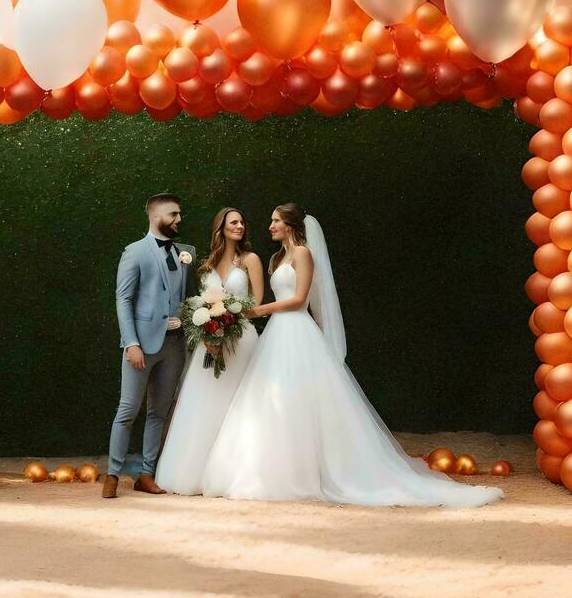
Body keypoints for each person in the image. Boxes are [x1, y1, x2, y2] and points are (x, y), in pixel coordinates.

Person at [202, 203, 503, 507]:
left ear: (291, 225)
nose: (270, 225)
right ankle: (277, 470)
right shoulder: (278, 257)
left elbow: (299, 299)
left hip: (297, 330)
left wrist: (258, 310)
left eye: (276, 220)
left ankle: (311, 473)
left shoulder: (303, 253)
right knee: (274, 401)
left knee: (303, 399)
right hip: (278, 333)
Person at [154, 208, 264, 495]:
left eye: (242, 222)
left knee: (241, 406)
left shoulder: (250, 260)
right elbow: (197, 303)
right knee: (206, 405)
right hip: (211, 341)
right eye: (234, 222)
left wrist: (229, 318)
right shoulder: (206, 265)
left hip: (242, 340)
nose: (240, 226)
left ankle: (236, 474)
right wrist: (209, 329)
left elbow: (257, 303)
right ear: (221, 228)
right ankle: (197, 474)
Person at [105, 193, 195, 499]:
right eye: (174, 214)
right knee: (128, 409)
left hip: (175, 345)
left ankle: (146, 474)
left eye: (180, 214)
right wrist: (131, 343)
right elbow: (123, 298)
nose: (179, 220)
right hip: (142, 345)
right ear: (156, 217)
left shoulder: (186, 252)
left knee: (159, 411)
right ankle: (113, 475)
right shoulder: (135, 252)